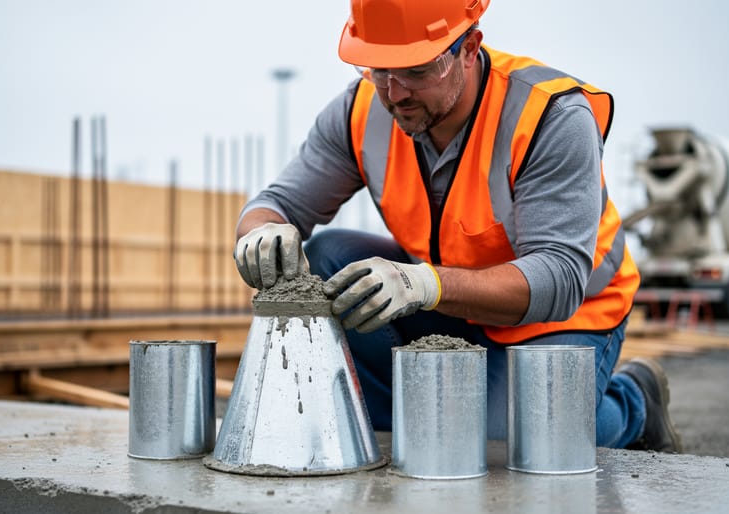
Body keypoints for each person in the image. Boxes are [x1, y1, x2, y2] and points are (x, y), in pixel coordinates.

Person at [234, 0, 682, 452]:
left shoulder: (549, 116)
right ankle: (405, 422)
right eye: (379, 70)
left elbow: (560, 278)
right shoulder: (361, 111)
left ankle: (634, 402)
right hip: (446, 300)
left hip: (565, 315)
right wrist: (260, 232)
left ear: (469, 47)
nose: (395, 92)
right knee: (329, 256)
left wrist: (424, 284)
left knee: (506, 445)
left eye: (417, 70)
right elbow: (277, 203)